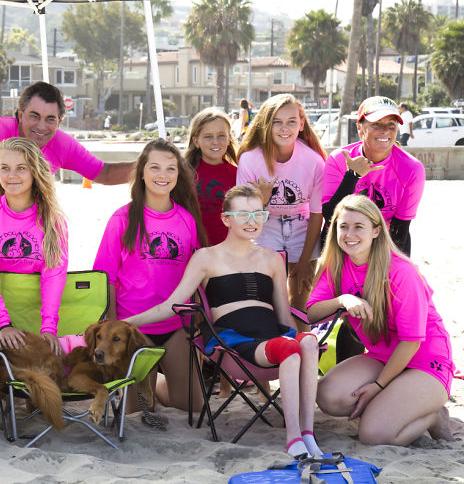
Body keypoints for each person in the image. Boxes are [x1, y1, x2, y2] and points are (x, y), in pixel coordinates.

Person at [122, 185, 324, 458]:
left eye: (258, 214)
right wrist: (129, 322)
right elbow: (174, 304)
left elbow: (284, 313)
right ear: (226, 219)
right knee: (289, 348)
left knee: (309, 342)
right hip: (233, 344)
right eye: (243, 215)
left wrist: (295, 336)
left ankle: (308, 434)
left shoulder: (273, 259)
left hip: (274, 340)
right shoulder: (206, 257)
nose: (252, 222)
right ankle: (293, 438)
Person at [0, 81, 133, 329]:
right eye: (34, 116)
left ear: (59, 121)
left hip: (5, 217)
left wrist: (149, 165)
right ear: (20, 114)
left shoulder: (62, 145)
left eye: (50, 119)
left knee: (19, 283)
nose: (42, 126)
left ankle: (13, 339)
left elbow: (103, 173)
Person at [307, 194, 453, 446]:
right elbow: (311, 313)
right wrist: (342, 300)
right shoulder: (336, 266)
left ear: (376, 230)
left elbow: (411, 342)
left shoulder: (401, 271)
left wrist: (377, 385)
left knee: (374, 435)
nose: (349, 234)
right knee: (329, 396)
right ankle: (392, 402)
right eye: (343, 226)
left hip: (424, 361)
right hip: (381, 356)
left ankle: (434, 417)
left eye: (358, 226)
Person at [93, 138, 208, 412]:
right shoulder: (122, 219)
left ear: (178, 174)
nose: (163, 175)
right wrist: (113, 327)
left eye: (170, 169)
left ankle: (157, 384)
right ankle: (140, 385)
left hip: (175, 325)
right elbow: (105, 278)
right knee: (139, 410)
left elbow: (195, 276)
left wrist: (197, 318)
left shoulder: (186, 219)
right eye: (155, 167)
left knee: (192, 406)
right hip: (134, 328)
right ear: (142, 172)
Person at [0, 137, 68, 420]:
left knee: (38, 408)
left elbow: (54, 276)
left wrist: (49, 328)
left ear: (35, 172)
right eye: (4, 168)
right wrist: (3, 325)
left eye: (21, 168)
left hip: (34, 325)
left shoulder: (52, 220)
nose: (11, 176)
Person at [321, 97, 425, 361]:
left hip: (382, 244)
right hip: (343, 242)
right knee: (350, 316)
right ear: (360, 128)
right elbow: (328, 214)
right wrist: (353, 175)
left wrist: (398, 270)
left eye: (391, 125)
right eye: (376, 124)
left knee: (386, 310)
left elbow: (401, 227)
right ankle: (345, 369)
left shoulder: (411, 168)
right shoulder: (339, 159)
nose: (385, 131)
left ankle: (388, 368)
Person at [236, 94, 327, 320]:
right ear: (266, 124)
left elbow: (317, 214)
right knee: (265, 305)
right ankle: (271, 351)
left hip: (302, 228)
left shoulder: (314, 160)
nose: (284, 128)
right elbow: (244, 218)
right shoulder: (250, 159)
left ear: (301, 124)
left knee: (299, 308)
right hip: (265, 226)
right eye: (277, 121)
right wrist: (263, 200)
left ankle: (303, 351)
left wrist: (305, 260)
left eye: (291, 122)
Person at [184, 108, 238, 246]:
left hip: (227, 251)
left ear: (229, 139)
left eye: (221, 135)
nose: (215, 141)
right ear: (196, 141)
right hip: (192, 250)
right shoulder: (183, 174)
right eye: (208, 136)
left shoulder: (237, 175)